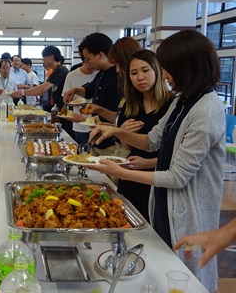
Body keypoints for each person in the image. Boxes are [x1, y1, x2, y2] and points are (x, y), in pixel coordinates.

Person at [86, 30, 225, 291]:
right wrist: (116, 130)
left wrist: (121, 172)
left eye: (167, 68)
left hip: (189, 212)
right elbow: (152, 140)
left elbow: (177, 176)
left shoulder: (206, 110)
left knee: (187, 277)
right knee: (161, 268)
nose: (165, 74)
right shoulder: (182, 101)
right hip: (162, 204)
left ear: (187, 66)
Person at [115, 50, 173, 221]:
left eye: (145, 70)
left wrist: (148, 162)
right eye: (134, 73)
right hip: (131, 177)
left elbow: (177, 154)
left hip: (159, 179)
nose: (140, 77)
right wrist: (124, 135)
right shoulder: (130, 106)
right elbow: (127, 148)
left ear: (158, 70)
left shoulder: (172, 105)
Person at [63, 33, 122, 156]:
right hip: (96, 139)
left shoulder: (117, 78)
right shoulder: (101, 73)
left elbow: (113, 116)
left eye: (88, 59)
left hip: (109, 143)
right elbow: (89, 90)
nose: (87, 63)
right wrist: (74, 90)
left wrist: (83, 119)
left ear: (100, 54)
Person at [11, 46, 73, 138]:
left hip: (65, 111)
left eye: (44, 57)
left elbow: (42, 89)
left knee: (66, 137)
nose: (42, 60)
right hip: (60, 110)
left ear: (51, 57)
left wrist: (22, 93)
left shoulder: (60, 70)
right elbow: (41, 91)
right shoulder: (56, 70)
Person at [61, 60, 97, 147]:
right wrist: (69, 101)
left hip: (97, 124)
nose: (91, 66)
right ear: (84, 61)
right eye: (88, 63)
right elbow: (66, 97)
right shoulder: (72, 75)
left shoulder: (99, 74)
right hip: (79, 125)